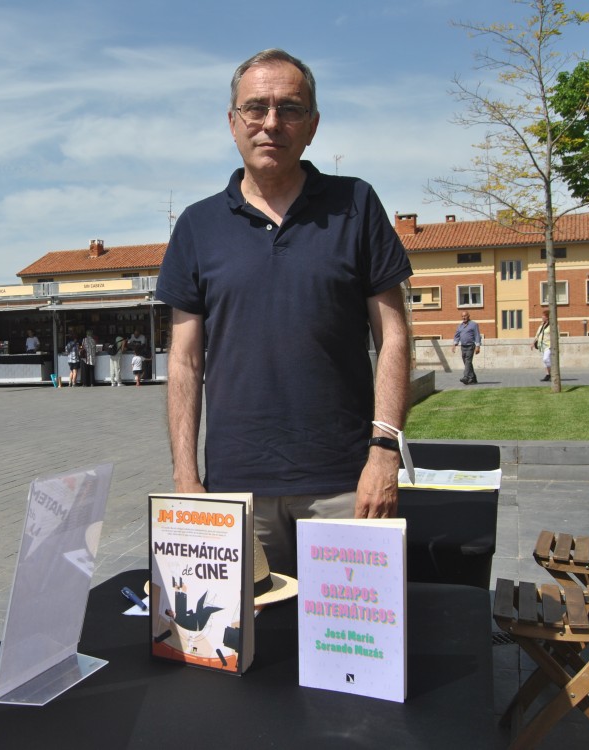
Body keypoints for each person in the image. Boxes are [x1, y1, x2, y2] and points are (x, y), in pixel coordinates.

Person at [155, 49, 412, 576]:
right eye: (256, 108)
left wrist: (384, 453)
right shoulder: (197, 227)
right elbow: (183, 361)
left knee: (350, 650)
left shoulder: (357, 206)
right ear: (233, 122)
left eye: (289, 108)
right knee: (248, 648)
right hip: (236, 491)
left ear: (312, 125)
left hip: (345, 484)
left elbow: (393, 336)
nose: (271, 123)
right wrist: (186, 477)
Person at [452, 311, 481, 385]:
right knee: (466, 362)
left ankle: (466, 377)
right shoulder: (460, 326)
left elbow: (477, 335)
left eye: (465, 316)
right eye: (462, 316)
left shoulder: (473, 324)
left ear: (468, 316)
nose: (463, 317)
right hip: (463, 346)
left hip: (470, 346)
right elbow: (457, 335)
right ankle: (473, 378)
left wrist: (478, 346)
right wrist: (454, 345)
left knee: (468, 361)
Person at [533, 311, 552, 382]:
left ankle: (552, 372)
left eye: (543, 316)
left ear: (547, 317)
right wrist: (533, 343)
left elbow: (556, 336)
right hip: (542, 346)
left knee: (546, 359)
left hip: (549, 345)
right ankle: (548, 375)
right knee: (545, 361)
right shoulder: (541, 326)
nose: (542, 317)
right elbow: (537, 335)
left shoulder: (552, 325)